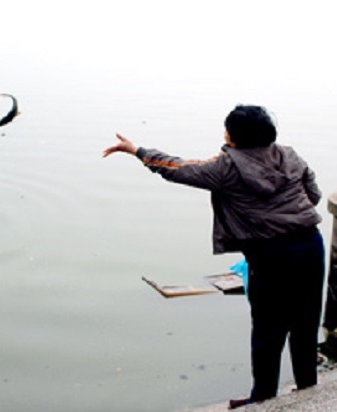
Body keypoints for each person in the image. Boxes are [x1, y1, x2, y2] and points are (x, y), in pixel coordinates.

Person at [103, 105, 325, 409]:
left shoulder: (227, 166)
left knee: (267, 330)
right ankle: (309, 390)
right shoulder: (289, 155)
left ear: (233, 136)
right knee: (305, 323)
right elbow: (313, 195)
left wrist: (137, 150)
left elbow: (178, 168)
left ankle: (262, 398)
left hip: (269, 254)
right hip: (309, 245)